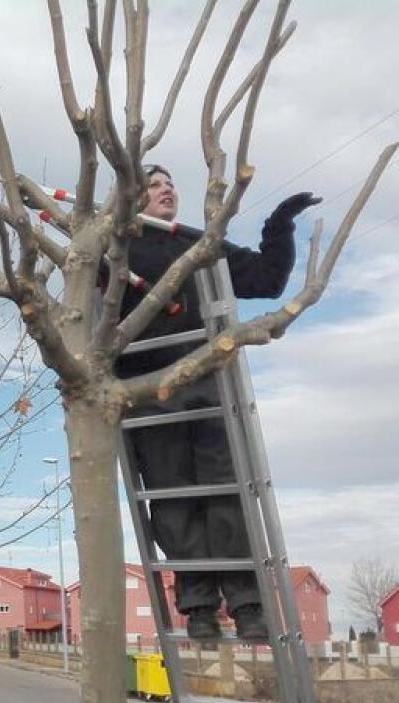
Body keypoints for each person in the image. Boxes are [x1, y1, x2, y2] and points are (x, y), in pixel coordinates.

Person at [120, 164, 320, 642]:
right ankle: (199, 606)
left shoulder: (197, 244)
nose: (167, 189)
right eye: (153, 185)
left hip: (210, 390)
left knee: (226, 493)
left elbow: (267, 280)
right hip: (149, 395)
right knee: (174, 505)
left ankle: (248, 603)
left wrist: (279, 225)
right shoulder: (113, 253)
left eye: (171, 183)